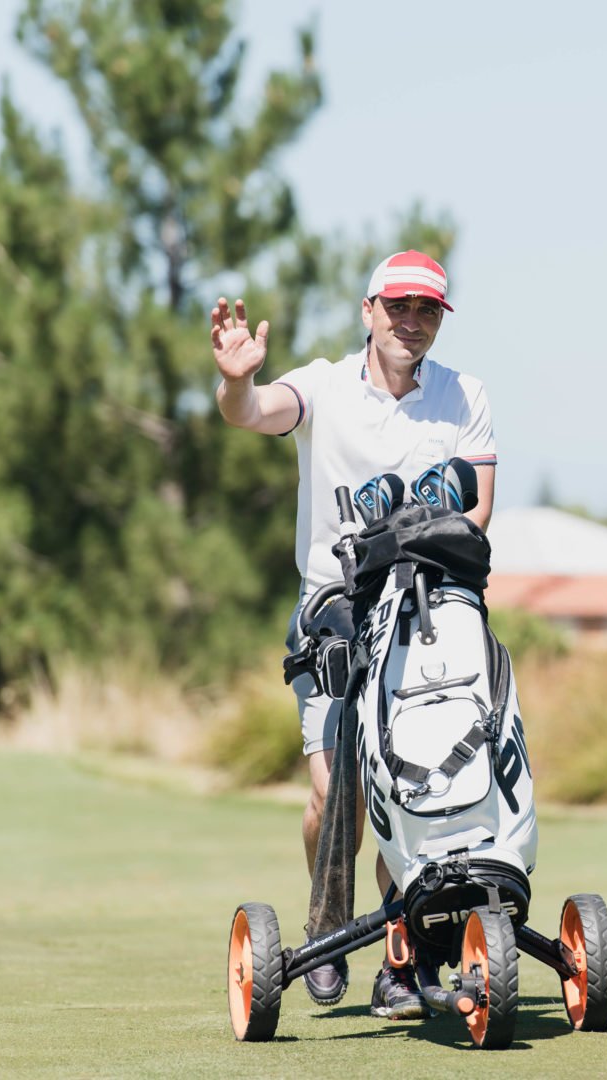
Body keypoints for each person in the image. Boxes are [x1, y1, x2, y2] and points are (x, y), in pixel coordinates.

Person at [210, 251, 495, 1019]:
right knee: (337, 791)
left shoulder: (463, 396)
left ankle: (402, 961)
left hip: (425, 617)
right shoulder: (324, 386)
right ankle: (328, 918)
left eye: (427, 310)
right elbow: (252, 412)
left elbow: (475, 514)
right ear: (368, 311)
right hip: (333, 614)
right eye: (398, 306)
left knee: (416, 791)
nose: (412, 322)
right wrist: (236, 381)